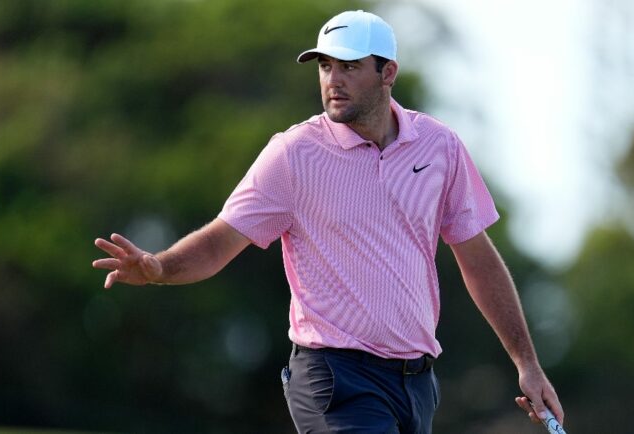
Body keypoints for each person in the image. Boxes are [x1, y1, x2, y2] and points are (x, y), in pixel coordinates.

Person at [92, 9, 564, 434]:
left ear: (388, 73)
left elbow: (477, 259)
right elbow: (220, 242)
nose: (332, 80)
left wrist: (528, 363)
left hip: (416, 382)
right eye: (325, 67)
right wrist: (159, 266)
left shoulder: (439, 148)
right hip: (333, 376)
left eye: (349, 67)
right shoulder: (294, 154)